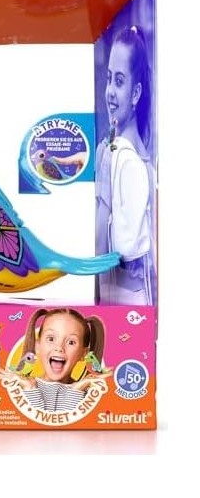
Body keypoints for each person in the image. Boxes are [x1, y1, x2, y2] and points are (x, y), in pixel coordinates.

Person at [95, 25, 156, 306]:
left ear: (135, 93)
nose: (109, 91)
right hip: (127, 296)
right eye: (109, 79)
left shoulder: (123, 157)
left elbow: (118, 246)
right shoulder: (129, 153)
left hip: (124, 300)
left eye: (119, 81)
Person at [0, 308, 110, 412]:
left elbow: (68, 422)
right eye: (51, 339)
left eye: (71, 342)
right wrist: (30, 388)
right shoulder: (20, 388)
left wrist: (76, 390)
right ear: (37, 346)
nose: (59, 348)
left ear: (83, 353)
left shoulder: (91, 394)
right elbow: (34, 423)